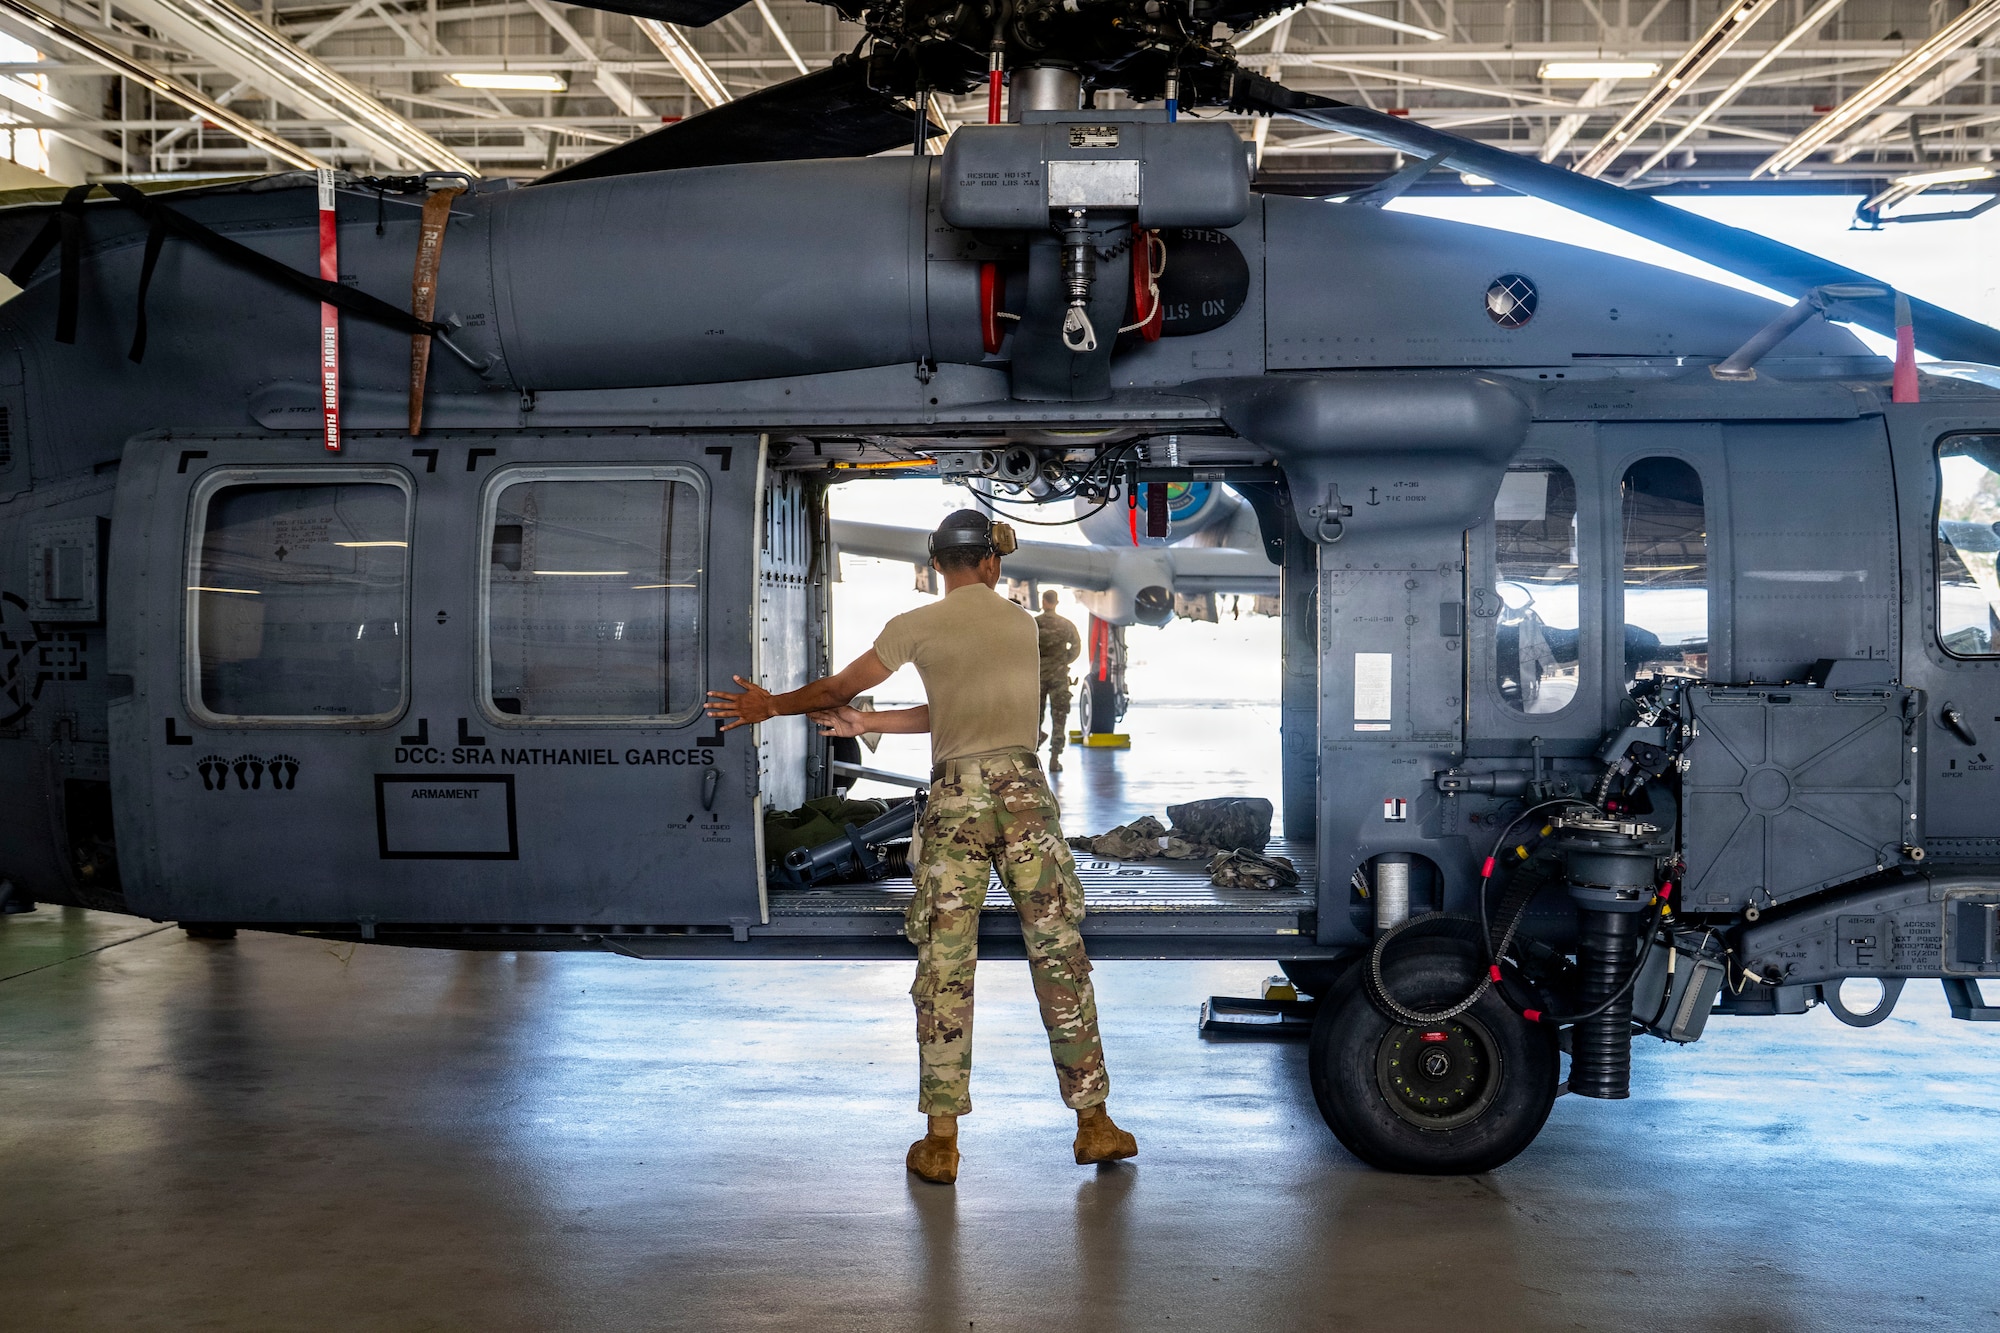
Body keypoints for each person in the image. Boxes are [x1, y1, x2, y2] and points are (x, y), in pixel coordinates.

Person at [705, 510, 1137, 1186]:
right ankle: (1094, 1123)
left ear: (939, 564)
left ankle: (941, 1141)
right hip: (1025, 798)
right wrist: (869, 723)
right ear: (990, 564)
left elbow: (837, 687)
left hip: (959, 803)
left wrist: (772, 705)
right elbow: (964, 707)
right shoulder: (1021, 625)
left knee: (945, 964)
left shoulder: (917, 627)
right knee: (1059, 957)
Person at [1035, 590, 1082, 772]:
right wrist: (1063, 661)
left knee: (1035, 719)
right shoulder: (1066, 625)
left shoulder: (1035, 623)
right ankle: (1054, 758)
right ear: (1056, 602)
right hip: (1060, 677)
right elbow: (1076, 647)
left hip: (1038, 676)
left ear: (1043, 602)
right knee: (1059, 717)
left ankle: (1034, 757)